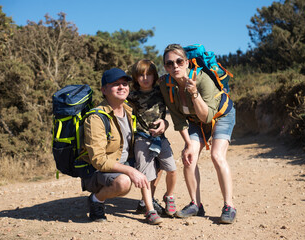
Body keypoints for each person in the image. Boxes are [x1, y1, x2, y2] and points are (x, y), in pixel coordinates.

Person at [159, 44, 237, 224]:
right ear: (165, 67)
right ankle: (196, 204)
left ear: (186, 62)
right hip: (195, 121)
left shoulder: (201, 80)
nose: (175, 66)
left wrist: (194, 93)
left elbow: (207, 116)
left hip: (220, 115)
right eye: (169, 64)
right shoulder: (166, 85)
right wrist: (187, 145)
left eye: (179, 61)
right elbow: (178, 118)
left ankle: (229, 206)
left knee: (217, 155)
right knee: (189, 157)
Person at [81, 68, 154, 224]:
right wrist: (131, 171)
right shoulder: (96, 118)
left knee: (157, 158)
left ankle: (146, 203)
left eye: (124, 83)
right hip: (98, 171)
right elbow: (98, 160)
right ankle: (96, 200)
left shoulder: (129, 110)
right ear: (104, 90)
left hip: (125, 162)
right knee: (124, 183)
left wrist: (164, 122)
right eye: (115, 84)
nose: (122, 87)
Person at [127, 59, 177, 222]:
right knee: (146, 175)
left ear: (155, 76)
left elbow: (173, 84)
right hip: (142, 138)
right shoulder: (132, 96)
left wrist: (166, 123)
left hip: (160, 138)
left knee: (172, 169)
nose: (145, 78)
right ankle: (149, 209)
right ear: (135, 78)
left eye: (149, 74)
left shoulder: (160, 90)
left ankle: (169, 196)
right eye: (141, 75)